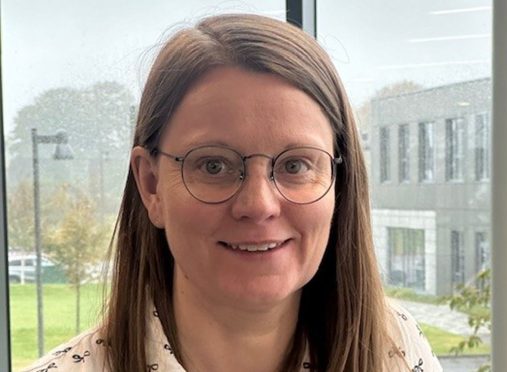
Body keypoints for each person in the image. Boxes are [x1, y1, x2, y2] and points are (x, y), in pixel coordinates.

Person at [25, 14, 442, 372]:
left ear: (339, 184)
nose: (258, 205)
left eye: (295, 166)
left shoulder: (396, 349)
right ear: (151, 186)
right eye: (214, 165)